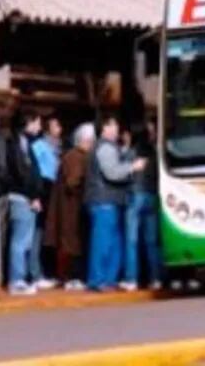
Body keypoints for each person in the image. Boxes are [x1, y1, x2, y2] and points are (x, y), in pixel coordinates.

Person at [84, 116, 146, 292]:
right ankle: (98, 280)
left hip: (108, 200)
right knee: (103, 243)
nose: (117, 128)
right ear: (105, 128)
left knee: (111, 242)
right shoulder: (105, 148)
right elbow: (111, 172)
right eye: (114, 125)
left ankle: (107, 280)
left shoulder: (106, 147)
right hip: (104, 200)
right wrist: (132, 167)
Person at [45, 123, 93, 291]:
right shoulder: (76, 157)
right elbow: (73, 181)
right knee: (73, 243)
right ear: (85, 141)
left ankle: (72, 276)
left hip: (71, 206)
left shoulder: (71, 155)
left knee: (72, 243)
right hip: (72, 207)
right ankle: (73, 277)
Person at [5, 112, 45, 296]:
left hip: (25, 196)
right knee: (20, 240)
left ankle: (21, 278)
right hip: (22, 197)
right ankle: (16, 280)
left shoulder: (23, 143)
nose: (38, 127)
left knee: (24, 240)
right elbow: (23, 172)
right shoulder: (17, 144)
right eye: (36, 122)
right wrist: (33, 196)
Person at [121, 120, 162, 292]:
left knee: (131, 240)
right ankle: (156, 278)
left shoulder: (131, 153)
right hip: (152, 196)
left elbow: (123, 174)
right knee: (151, 242)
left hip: (135, 196)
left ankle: (132, 278)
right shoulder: (154, 153)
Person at [29, 116, 61, 290]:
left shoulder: (58, 146)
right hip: (44, 188)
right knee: (37, 233)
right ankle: (35, 273)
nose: (59, 128)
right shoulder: (40, 145)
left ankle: (43, 272)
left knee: (44, 233)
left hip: (51, 189)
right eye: (56, 125)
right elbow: (39, 170)